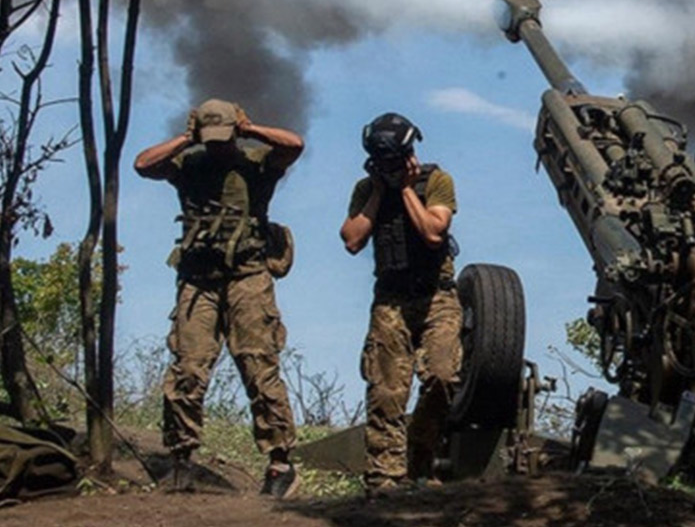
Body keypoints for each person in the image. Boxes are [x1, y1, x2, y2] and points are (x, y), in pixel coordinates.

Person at [133, 98, 303, 499]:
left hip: (248, 277)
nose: (217, 146)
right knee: (187, 371)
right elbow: (142, 165)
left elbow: (294, 145)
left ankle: (281, 464)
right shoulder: (188, 164)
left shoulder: (257, 162)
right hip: (198, 280)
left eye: (223, 138)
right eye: (210, 139)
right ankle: (181, 461)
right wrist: (185, 139)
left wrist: (251, 129)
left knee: (259, 368)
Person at [340, 113, 461, 494]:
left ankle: (419, 458)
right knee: (386, 391)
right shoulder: (366, 189)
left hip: (436, 296)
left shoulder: (436, 182)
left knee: (442, 376)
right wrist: (378, 192)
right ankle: (384, 478)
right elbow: (352, 239)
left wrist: (407, 189)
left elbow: (431, 231)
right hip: (391, 299)